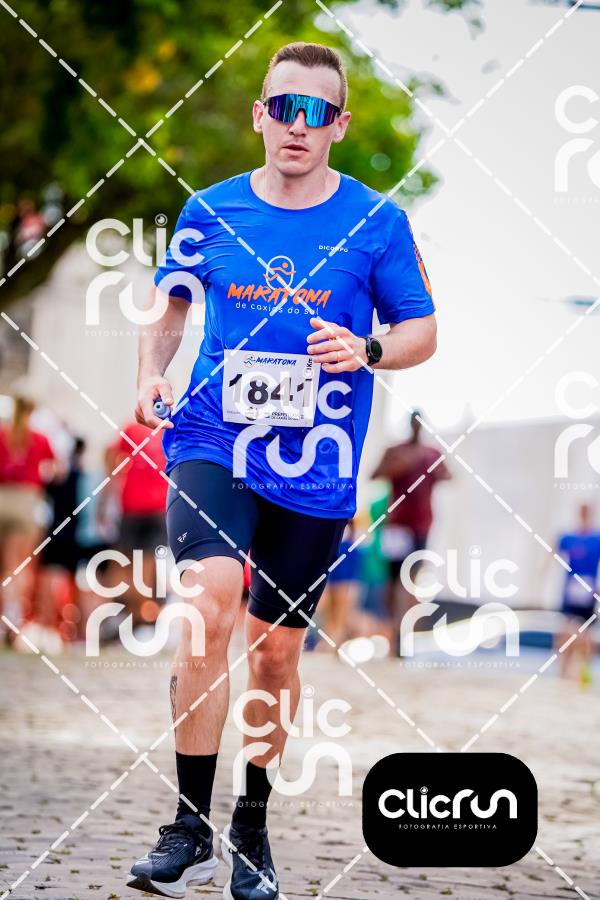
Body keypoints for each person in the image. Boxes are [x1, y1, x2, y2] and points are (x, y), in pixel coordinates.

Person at [128, 42, 437, 900]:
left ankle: (251, 824)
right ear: (260, 114)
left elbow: (421, 331)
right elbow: (170, 303)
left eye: (317, 112)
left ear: (339, 125)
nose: (298, 125)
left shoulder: (377, 221)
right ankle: (187, 826)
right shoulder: (209, 209)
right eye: (283, 107)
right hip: (213, 435)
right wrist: (151, 373)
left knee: (273, 654)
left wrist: (368, 348)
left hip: (316, 462)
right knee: (206, 606)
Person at [372, 409, 450, 656]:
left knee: (412, 581)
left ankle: (403, 635)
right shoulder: (395, 451)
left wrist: (433, 470)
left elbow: (449, 475)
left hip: (421, 526)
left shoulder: (432, 453)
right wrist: (400, 466)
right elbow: (374, 475)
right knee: (392, 581)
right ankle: (393, 630)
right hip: (396, 526)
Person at [0, 396, 56, 644]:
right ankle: (11, 617)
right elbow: (54, 470)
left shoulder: (3, 434)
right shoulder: (39, 438)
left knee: (4, 563)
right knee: (19, 565)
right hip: (26, 499)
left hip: (2, 495)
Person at [555, 503, 600, 683]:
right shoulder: (567, 537)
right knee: (565, 632)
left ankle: (584, 670)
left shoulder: (596, 539)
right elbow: (553, 555)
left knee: (585, 635)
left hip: (588, 590)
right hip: (571, 590)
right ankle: (563, 671)